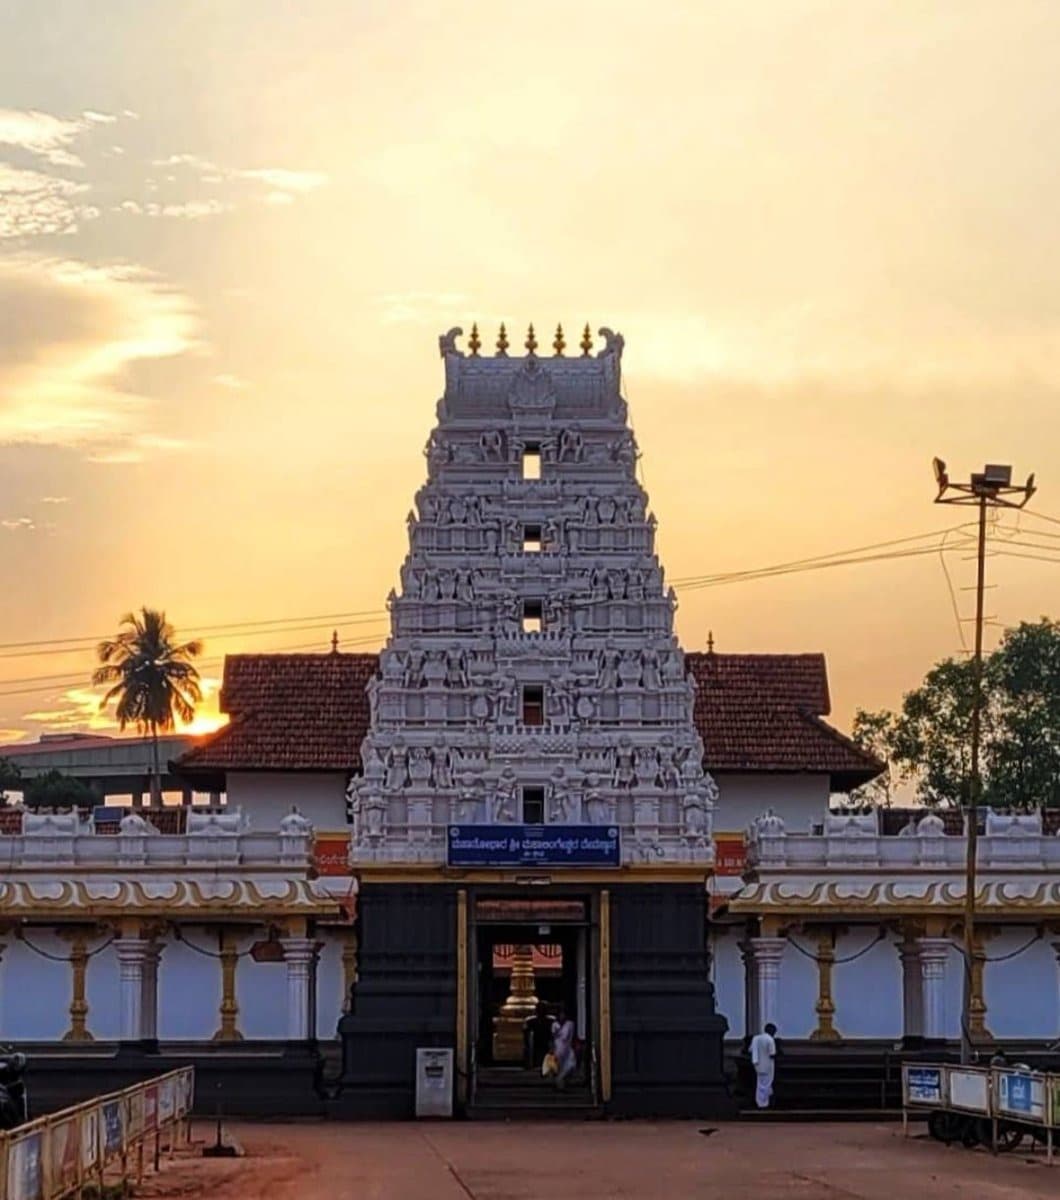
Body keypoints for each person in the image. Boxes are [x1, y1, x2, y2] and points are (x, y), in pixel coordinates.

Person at [749, 1022, 777, 1109]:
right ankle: (763, 1103)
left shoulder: (756, 1038)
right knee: (766, 1084)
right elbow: (772, 1053)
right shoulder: (770, 1040)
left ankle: (760, 1101)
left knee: (760, 1083)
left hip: (757, 1064)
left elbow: (750, 1050)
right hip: (768, 1065)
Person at [551, 1007, 577, 1090]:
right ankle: (559, 1084)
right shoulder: (554, 1024)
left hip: (567, 1047)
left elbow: (572, 1036)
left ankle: (563, 1081)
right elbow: (552, 1036)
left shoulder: (570, 1024)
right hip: (558, 1047)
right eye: (560, 1014)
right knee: (558, 1068)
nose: (562, 1016)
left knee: (571, 1065)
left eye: (563, 1014)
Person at [524, 1002, 554, 1070]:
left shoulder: (551, 1020)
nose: (541, 1011)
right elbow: (525, 1032)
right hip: (536, 1041)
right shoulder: (530, 1020)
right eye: (539, 1009)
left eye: (543, 1009)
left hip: (547, 1040)